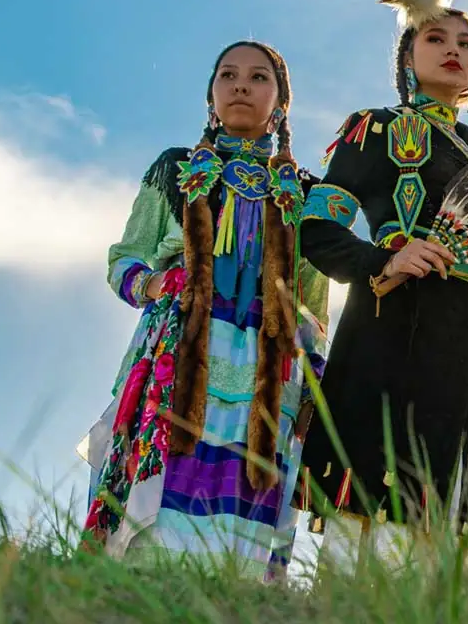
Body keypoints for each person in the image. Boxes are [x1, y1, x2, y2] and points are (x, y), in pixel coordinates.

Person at [296, 0, 468, 570]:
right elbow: (318, 226)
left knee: (456, 508)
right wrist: (385, 255)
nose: (453, 50)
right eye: (435, 38)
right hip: (392, 323)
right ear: (407, 53)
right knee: (379, 495)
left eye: (466, 43)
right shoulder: (376, 128)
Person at [83, 40, 329, 582]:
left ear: (281, 103)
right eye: (228, 75)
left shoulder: (305, 192)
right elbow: (125, 259)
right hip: (180, 351)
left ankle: (235, 594)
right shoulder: (175, 169)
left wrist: (308, 359)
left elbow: (313, 308)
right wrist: (154, 286)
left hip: (269, 365)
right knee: (164, 473)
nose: (241, 85)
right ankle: (140, 593)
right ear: (211, 97)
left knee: (251, 479)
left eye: (259, 77)